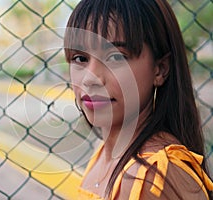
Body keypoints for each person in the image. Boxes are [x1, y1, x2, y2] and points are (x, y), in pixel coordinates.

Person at [63, 0, 213, 199]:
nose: (90, 78)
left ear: (160, 69)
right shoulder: (104, 154)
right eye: (80, 58)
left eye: (116, 57)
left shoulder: (152, 176)